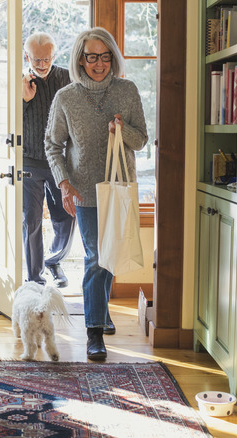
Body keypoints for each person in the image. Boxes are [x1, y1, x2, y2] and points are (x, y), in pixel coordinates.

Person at [45, 27, 148, 360]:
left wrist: (123, 129)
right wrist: (63, 183)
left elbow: (141, 140)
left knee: (111, 255)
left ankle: (101, 315)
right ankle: (94, 332)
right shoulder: (66, 98)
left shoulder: (128, 91)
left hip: (119, 187)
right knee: (95, 258)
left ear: (113, 58)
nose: (99, 63)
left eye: (105, 57)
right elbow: (53, 145)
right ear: (80, 59)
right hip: (85, 191)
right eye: (92, 56)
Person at [21, 32, 75, 288]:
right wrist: (23, 99)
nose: (41, 65)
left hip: (61, 161)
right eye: (36, 59)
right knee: (30, 220)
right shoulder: (19, 80)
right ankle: (34, 277)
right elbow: (6, 122)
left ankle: (54, 260)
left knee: (66, 216)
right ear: (27, 56)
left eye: (46, 59)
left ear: (54, 56)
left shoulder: (67, 77)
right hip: (29, 161)